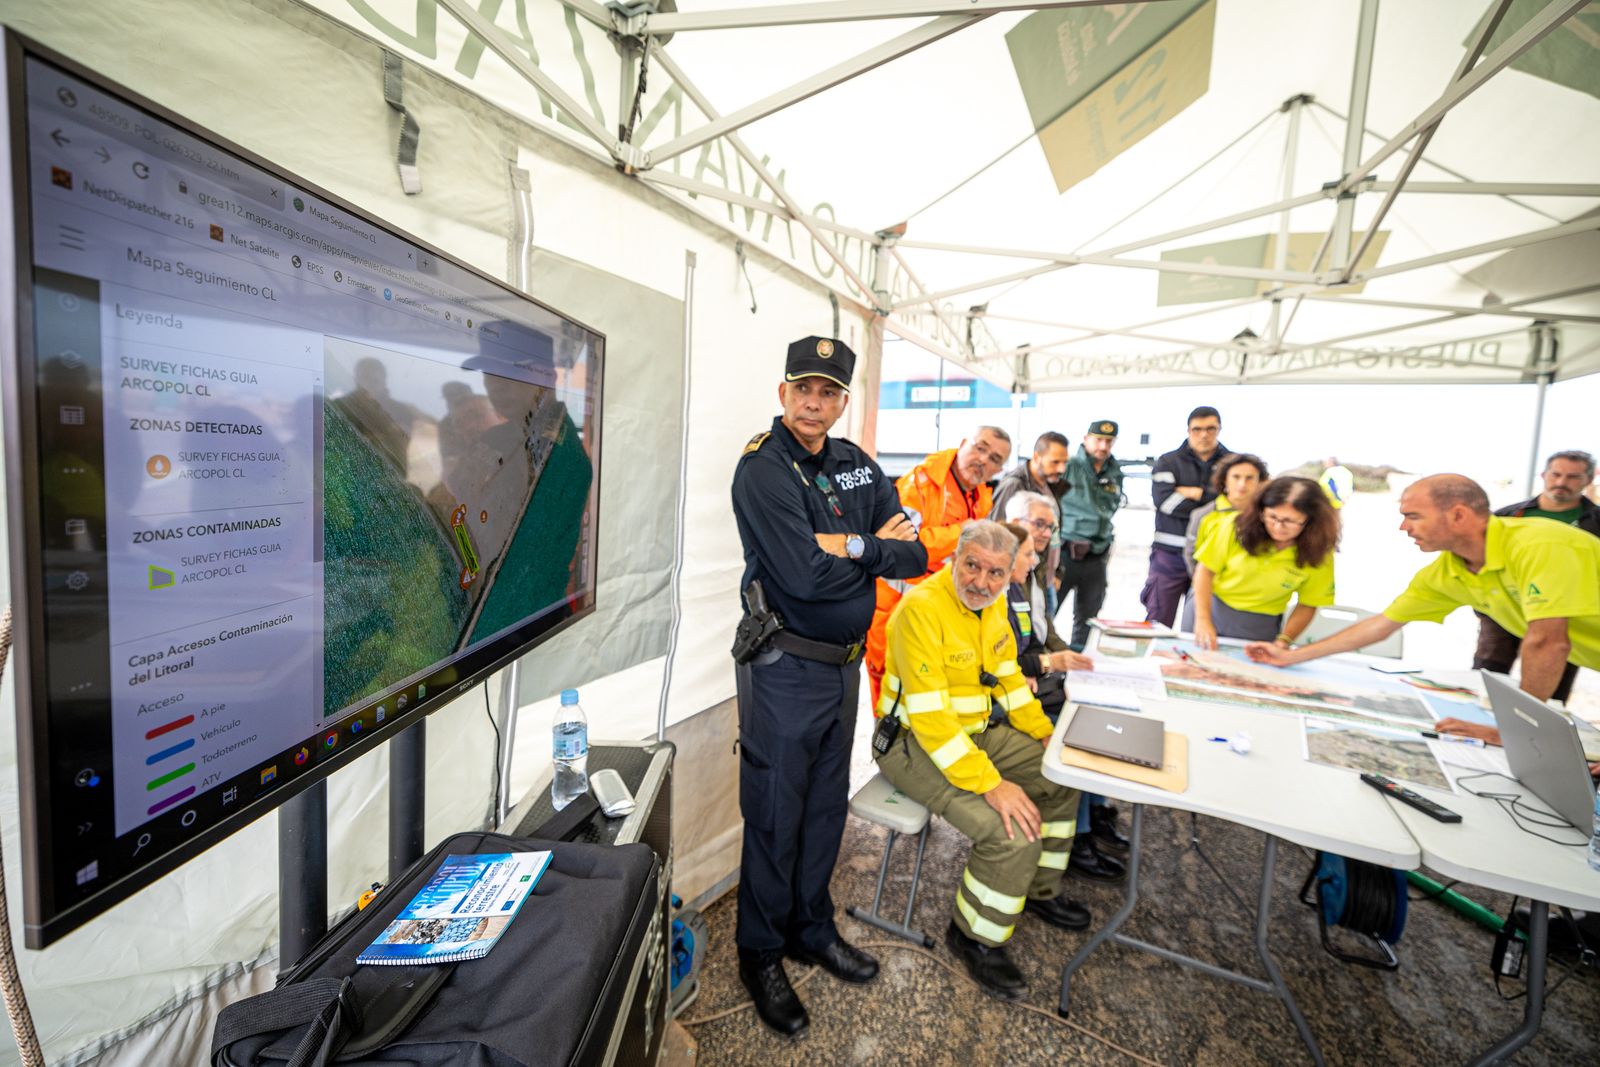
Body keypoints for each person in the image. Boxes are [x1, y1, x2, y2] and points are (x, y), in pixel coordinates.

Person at [730, 336, 927, 1037]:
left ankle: (809, 928)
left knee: (823, 810)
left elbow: (915, 552)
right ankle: (759, 951)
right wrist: (872, 550)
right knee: (775, 814)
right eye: (803, 389)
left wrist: (854, 545)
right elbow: (803, 577)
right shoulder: (764, 468)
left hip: (842, 667)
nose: (814, 403)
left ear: (843, 401)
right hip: (785, 667)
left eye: (828, 392)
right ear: (783, 393)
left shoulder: (855, 463)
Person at [875, 521, 1092, 1000]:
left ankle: (1038, 889)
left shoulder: (993, 606)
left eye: (995, 572)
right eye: (971, 565)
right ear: (955, 558)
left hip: (973, 734)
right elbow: (932, 722)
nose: (981, 582)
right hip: (912, 745)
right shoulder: (921, 610)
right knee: (1008, 833)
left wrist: (1043, 734)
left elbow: (1009, 678)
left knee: (1060, 778)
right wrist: (992, 784)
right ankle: (975, 934)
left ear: (1010, 572)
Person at [1245, 475, 1600, 716]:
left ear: (1458, 515)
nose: (1404, 527)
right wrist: (1289, 656)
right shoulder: (1449, 569)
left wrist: (1519, 731)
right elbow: (1382, 625)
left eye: (1413, 516)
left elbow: (1548, 643)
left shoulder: (1539, 545)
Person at [865, 426, 1012, 703]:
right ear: (963, 443)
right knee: (891, 699)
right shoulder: (919, 485)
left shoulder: (980, 495)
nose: (983, 459)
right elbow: (904, 545)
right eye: (980, 448)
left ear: (998, 470)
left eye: (994, 458)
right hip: (896, 610)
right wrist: (963, 531)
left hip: (939, 614)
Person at [1471, 450, 1599, 705]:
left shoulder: (1597, 522)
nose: (1561, 482)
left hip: (1565, 617)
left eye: (1573, 477)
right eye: (1556, 474)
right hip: (1506, 610)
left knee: (1550, 692)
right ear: (1543, 475)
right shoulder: (1509, 515)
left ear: (1588, 480)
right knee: (1488, 675)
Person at [1187, 476, 1339, 649]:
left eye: (1289, 521)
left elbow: (1309, 602)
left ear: (1311, 521)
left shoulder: (1319, 553)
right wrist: (1203, 620)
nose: (1278, 527)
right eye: (1272, 516)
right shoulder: (1234, 527)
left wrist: (1284, 640)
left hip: (1260, 623)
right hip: (1209, 607)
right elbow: (1205, 571)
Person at [1141, 406, 1228, 626]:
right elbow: (1166, 503)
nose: (1204, 435)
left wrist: (1195, 493)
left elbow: (1237, 503)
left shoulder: (1232, 464)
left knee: (1204, 625)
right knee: (1158, 621)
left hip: (1215, 557)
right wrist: (1214, 499)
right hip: (1169, 556)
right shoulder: (1167, 461)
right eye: (1197, 429)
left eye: (1210, 428)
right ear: (1188, 430)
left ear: (1219, 429)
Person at [1057, 420, 1125, 649]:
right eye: (1098, 440)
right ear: (1086, 439)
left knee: (1088, 618)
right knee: (1047, 611)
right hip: (1066, 552)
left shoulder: (1115, 472)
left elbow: (1112, 505)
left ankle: (1078, 659)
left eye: (1109, 441)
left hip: (1097, 554)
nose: (1103, 446)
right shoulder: (1069, 467)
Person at [992, 431, 1071, 612]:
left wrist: (1057, 571)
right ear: (1036, 457)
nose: (1061, 469)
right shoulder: (1014, 485)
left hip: (1044, 579)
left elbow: (1055, 532)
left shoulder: (1050, 484)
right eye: (1055, 462)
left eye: (1064, 462)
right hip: (1022, 579)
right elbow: (997, 533)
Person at [1184, 453, 1268, 575]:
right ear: (1224, 480)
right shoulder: (1202, 515)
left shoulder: (1267, 515)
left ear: (1260, 481)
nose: (1242, 484)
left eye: (1249, 478)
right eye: (1236, 477)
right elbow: (1192, 556)